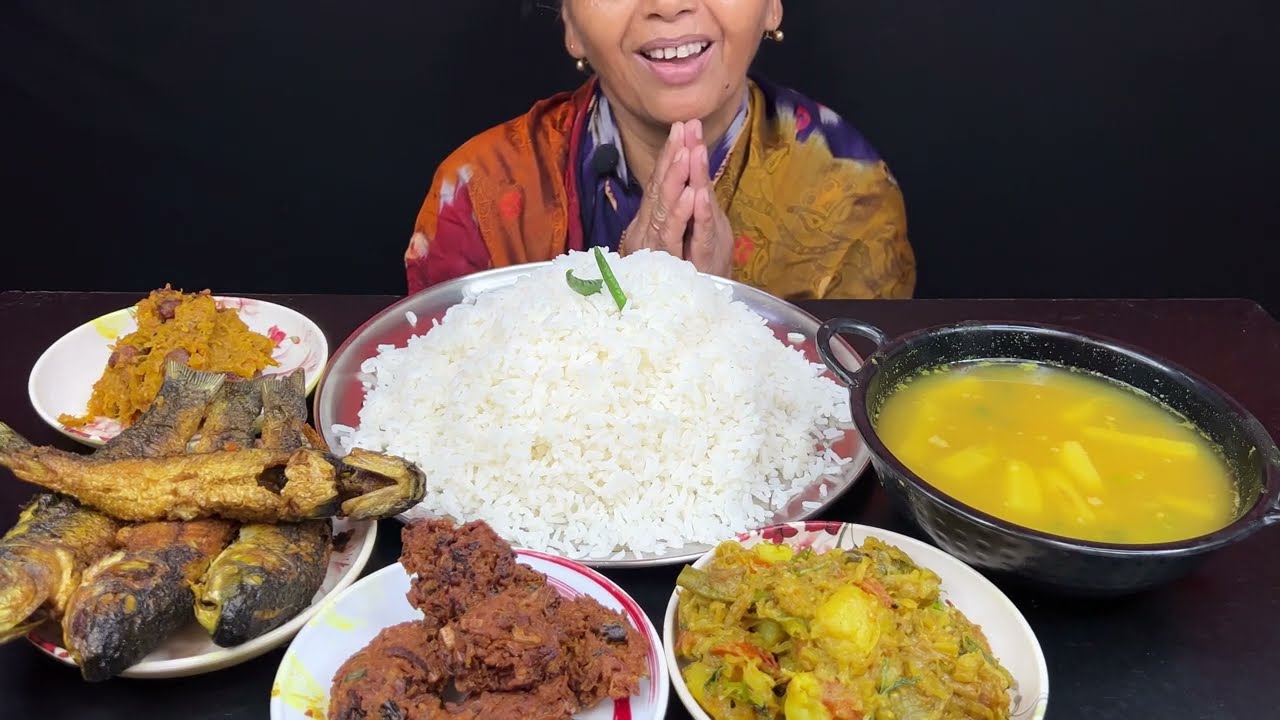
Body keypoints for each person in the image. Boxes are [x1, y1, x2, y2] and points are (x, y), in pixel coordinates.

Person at [405, 0, 916, 300]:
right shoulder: (478, 197)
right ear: (570, 24)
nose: (669, 6)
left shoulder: (849, 197)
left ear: (772, 5)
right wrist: (631, 303)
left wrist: (713, 311)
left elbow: (849, 426)